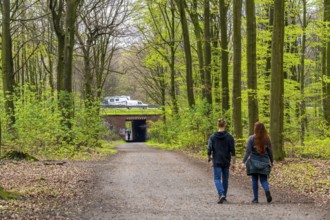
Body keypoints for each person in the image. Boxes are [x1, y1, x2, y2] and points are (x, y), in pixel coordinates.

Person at [241, 122, 274, 204]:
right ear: (263, 129)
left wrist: (243, 162)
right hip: (264, 162)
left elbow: (247, 152)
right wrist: (272, 161)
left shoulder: (251, 138)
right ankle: (266, 190)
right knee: (263, 179)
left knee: (254, 180)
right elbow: (270, 152)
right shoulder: (267, 139)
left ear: (255, 129)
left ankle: (255, 199)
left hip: (253, 163)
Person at [207, 118, 236, 204]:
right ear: (225, 125)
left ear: (217, 125)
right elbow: (233, 151)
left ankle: (221, 194)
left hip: (217, 160)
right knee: (225, 179)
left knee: (217, 178)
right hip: (226, 160)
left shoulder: (212, 137)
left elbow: (209, 148)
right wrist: (233, 163)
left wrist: (209, 157)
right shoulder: (230, 137)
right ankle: (223, 196)